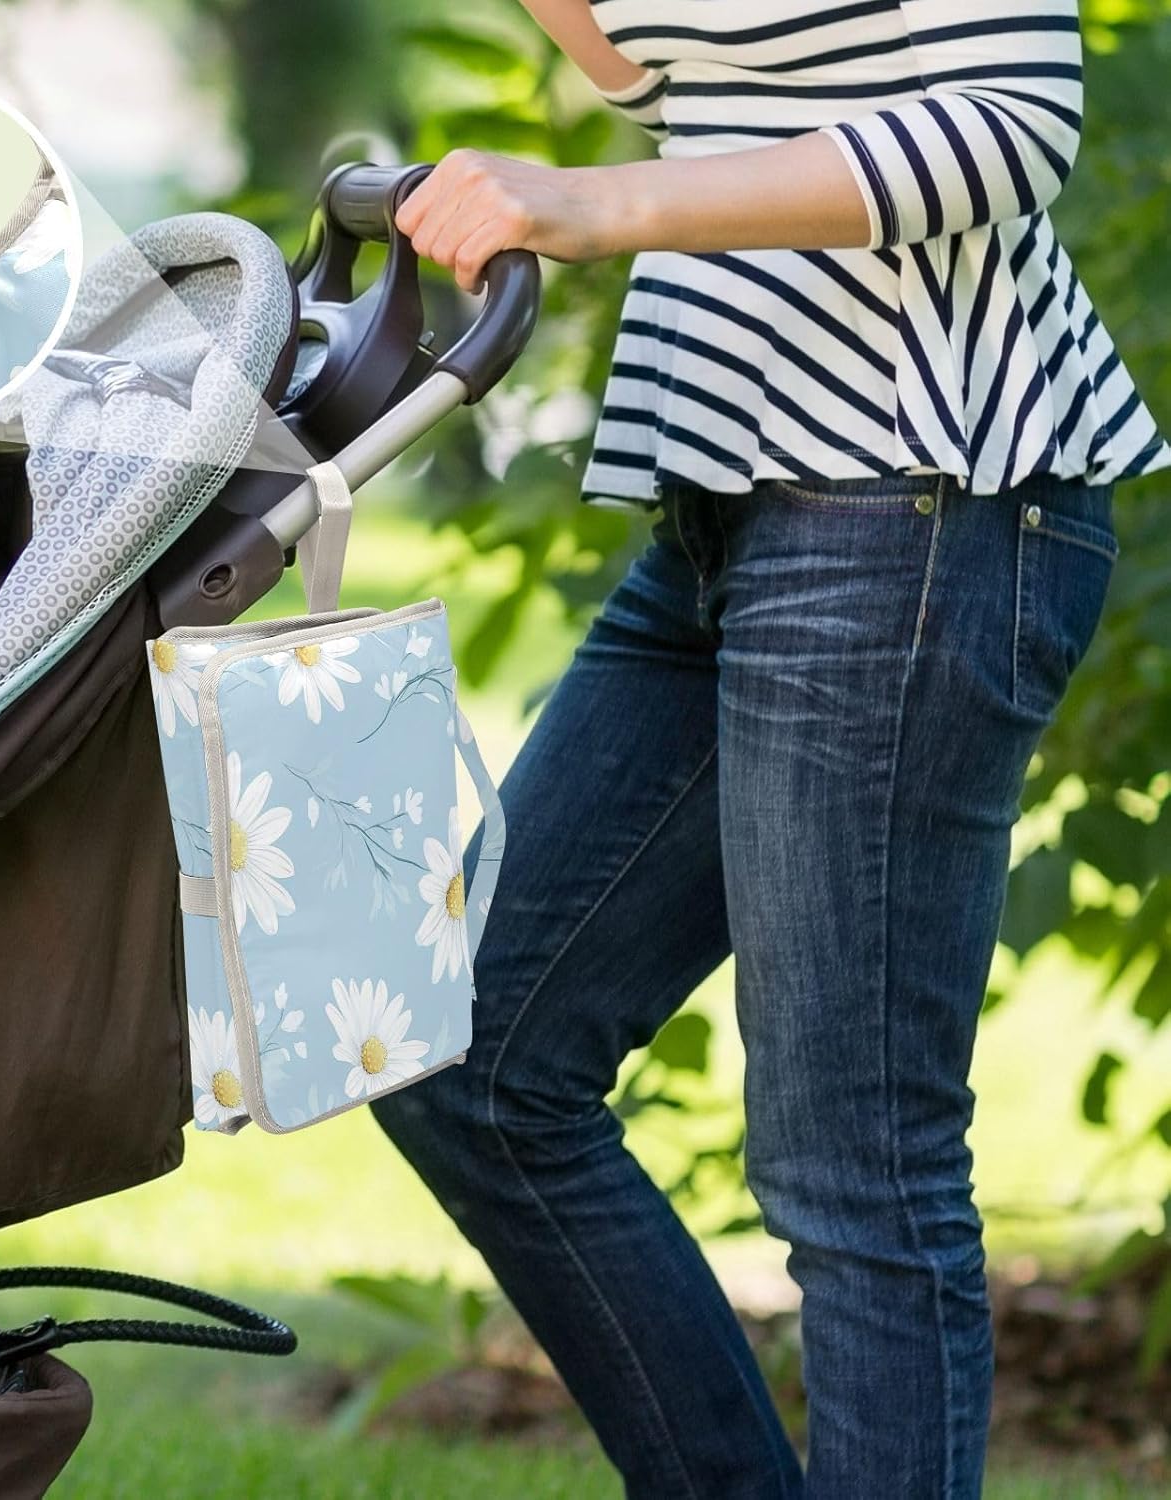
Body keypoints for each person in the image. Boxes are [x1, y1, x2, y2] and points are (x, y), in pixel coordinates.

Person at [371, 3, 1169, 1497]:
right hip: (731, 484)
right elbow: (658, 63)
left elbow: (1010, 124)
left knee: (857, 1172)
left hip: (918, 489)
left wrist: (598, 207)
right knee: (470, 1054)